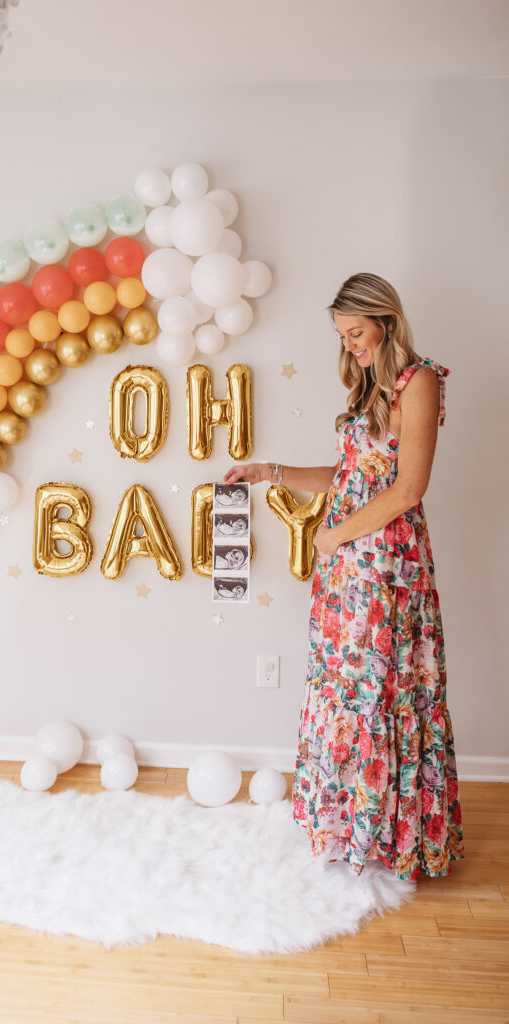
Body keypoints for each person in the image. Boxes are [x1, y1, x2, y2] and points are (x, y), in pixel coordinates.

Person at [224, 272, 464, 880]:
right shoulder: (368, 390)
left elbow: (409, 488)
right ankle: (347, 828)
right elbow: (350, 474)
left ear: (386, 321)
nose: (350, 345)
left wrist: (333, 534)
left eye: (356, 332)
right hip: (348, 567)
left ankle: (395, 836)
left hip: (387, 565)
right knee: (344, 687)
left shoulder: (421, 381)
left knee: (384, 689)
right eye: (342, 335)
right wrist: (269, 472)